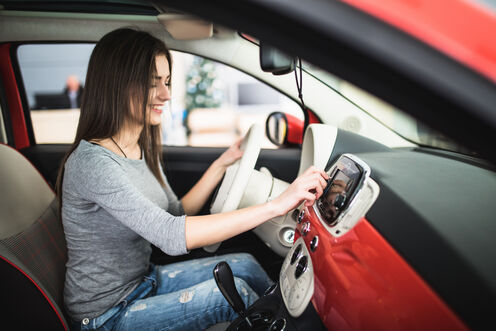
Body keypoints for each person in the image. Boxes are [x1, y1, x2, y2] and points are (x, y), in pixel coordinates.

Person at [56, 28, 328, 331]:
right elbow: (171, 234)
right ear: (117, 85)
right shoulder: (92, 163)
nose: (166, 95)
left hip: (144, 279)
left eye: (167, 82)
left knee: (247, 265)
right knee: (226, 298)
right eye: (152, 83)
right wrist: (276, 206)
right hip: (105, 315)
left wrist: (221, 165)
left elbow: (174, 211)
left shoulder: (137, 148)